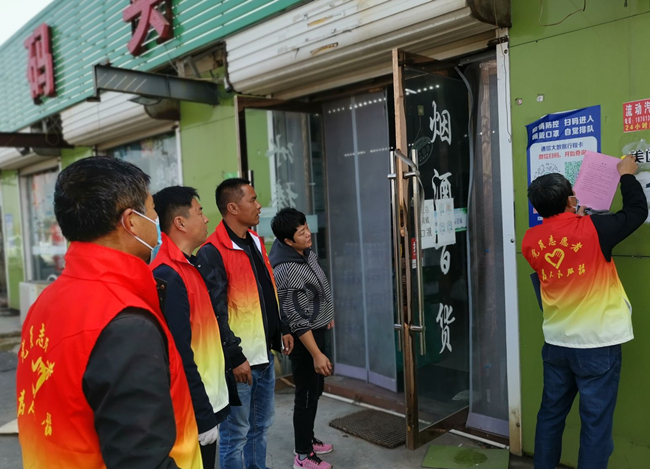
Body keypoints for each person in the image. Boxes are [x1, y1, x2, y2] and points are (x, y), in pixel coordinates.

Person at [15, 157, 202, 469]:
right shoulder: (125, 323)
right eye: (152, 210)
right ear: (131, 221)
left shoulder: (46, 301)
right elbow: (142, 459)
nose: (156, 220)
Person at [522, 155, 647, 469]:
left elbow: (560, 246)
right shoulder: (595, 229)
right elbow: (636, 212)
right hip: (597, 345)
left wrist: (574, 218)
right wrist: (626, 175)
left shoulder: (530, 240)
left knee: (550, 415)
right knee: (595, 424)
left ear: (537, 207)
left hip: (556, 344)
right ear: (570, 199)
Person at [196, 178, 294, 469]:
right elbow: (215, 313)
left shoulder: (255, 241)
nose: (259, 205)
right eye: (252, 200)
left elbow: (268, 290)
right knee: (235, 435)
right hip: (241, 363)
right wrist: (234, 357)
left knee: (260, 428)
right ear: (233, 207)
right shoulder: (212, 251)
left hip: (264, 355)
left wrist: (283, 327)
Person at [150, 186, 234, 469]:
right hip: (196, 408)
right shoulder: (168, 276)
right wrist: (201, 414)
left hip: (210, 396)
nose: (206, 218)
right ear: (180, 223)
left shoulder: (189, 265)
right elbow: (179, 353)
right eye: (199, 212)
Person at [269, 208, 335, 469]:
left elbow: (316, 289)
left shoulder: (303, 251)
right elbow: (296, 318)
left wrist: (327, 313)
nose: (308, 234)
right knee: (306, 395)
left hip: (316, 329)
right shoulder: (287, 268)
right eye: (301, 232)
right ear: (287, 240)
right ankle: (303, 455)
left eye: (306, 227)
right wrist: (316, 354)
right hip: (304, 337)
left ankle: (307, 438)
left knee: (315, 390)